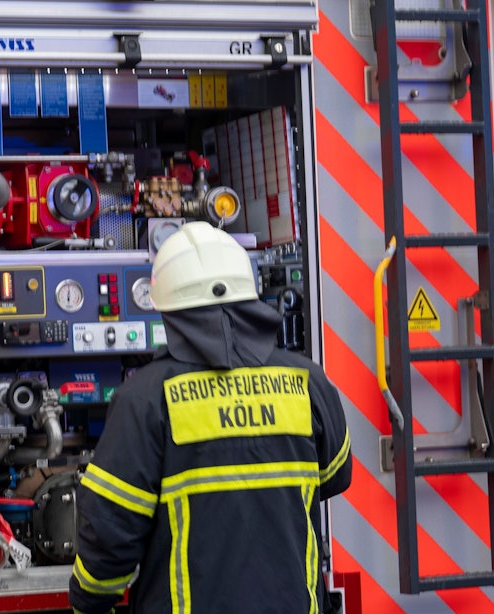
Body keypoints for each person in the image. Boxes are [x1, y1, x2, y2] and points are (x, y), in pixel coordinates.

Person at [69, 221, 352, 614]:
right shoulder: (308, 381)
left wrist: (89, 602)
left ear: (166, 308)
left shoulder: (145, 398)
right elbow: (336, 476)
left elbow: (110, 530)